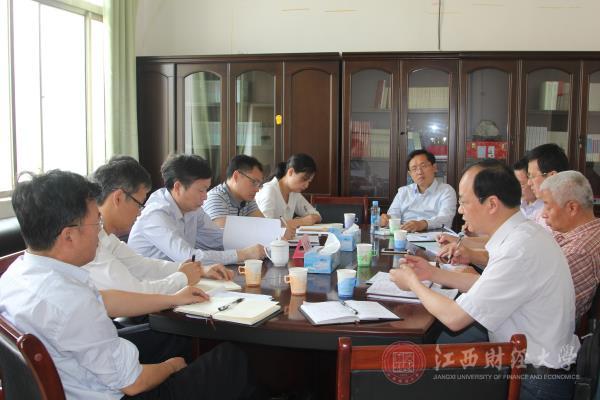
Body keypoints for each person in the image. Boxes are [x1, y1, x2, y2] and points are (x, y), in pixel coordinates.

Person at [0, 170, 252, 399]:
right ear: (69, 235)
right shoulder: (72, 302)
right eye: (96, 223)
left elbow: (105, 298)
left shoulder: (16, 274)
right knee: (232, 358)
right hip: (117, 391)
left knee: (179, 338)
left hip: (78, 375)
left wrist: (173, 298)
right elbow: (135, 383)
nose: (99, 233)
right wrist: (171, 367)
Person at [389, 160, 579, 400]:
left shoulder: (519, 248)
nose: (460, 210)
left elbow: (455, 318)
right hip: (530, 370)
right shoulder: (522, 234)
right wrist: (431, 273)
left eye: (464, 202)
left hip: (534, 382)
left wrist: (413, 284)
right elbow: (488, 287)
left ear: (491, 204)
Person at [85, 156, 232, 294]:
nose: (139, 213)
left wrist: (196, 270)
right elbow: (134, 292)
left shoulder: (106, 237)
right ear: (118, 198)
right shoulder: (88, 241)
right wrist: (183, 277)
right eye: (139, 204)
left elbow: (141, 265)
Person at [128, 154, 264, 264]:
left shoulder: (192, 209)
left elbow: (218, 238)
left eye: (206, 189)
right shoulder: (156, 214)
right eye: (201, 190)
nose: (205, 197)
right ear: (178, 187)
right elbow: (188, 257)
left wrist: (261, 243)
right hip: (149, 284)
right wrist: (242, 254)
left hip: (177, 279)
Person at [540, 170, 600, 321]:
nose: (543, 214)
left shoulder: (578, 252)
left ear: (572, 208)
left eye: (547, 206)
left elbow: (541, 307)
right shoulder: (583, 231)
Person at [380, 149, 456, 232]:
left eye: (423, 166)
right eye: (414, 169)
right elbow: (393, 215)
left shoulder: (446, 191)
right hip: (404, 234)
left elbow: (446, 219)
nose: (419, 172)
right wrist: (387, 219)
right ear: (410, 174)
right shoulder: (403, 191)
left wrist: (422, 224)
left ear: (434, 167)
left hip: (434, 237)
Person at [255, 153, 321, 229]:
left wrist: (310, 218)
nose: (306, 185)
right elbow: (266, 225)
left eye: (309, 181)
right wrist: (300, 221)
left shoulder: (294, 193)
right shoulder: (269, 190)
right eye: (304, 179)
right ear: (291, 172)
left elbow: (317, 216)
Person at [202, 155, 265, 228]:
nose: (257, 190)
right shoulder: (216, 198)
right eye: (254, 182)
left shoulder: (247, 199)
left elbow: (263, 226)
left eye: (259, 184)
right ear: (236, 176)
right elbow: (223, 234)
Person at [527, 143, 570, 230]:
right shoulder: (540, 210)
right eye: (528, 176)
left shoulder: (564, 215)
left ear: (552, 176)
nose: (529, 183)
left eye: (533, 176)